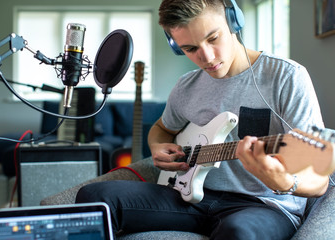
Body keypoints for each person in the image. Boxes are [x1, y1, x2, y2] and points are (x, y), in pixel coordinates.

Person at [76, 0, 329, 239]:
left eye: (213, 38)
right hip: (190, 197)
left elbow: (319, 178)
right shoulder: (186, 86)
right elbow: (162, 128)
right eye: (190, 48)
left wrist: (286, 181)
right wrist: (157, 146)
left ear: (233, 21)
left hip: (261, 206)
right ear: (176, 46)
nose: (206, 57)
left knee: (240, 234)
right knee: (94, 196)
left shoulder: (286, 77)